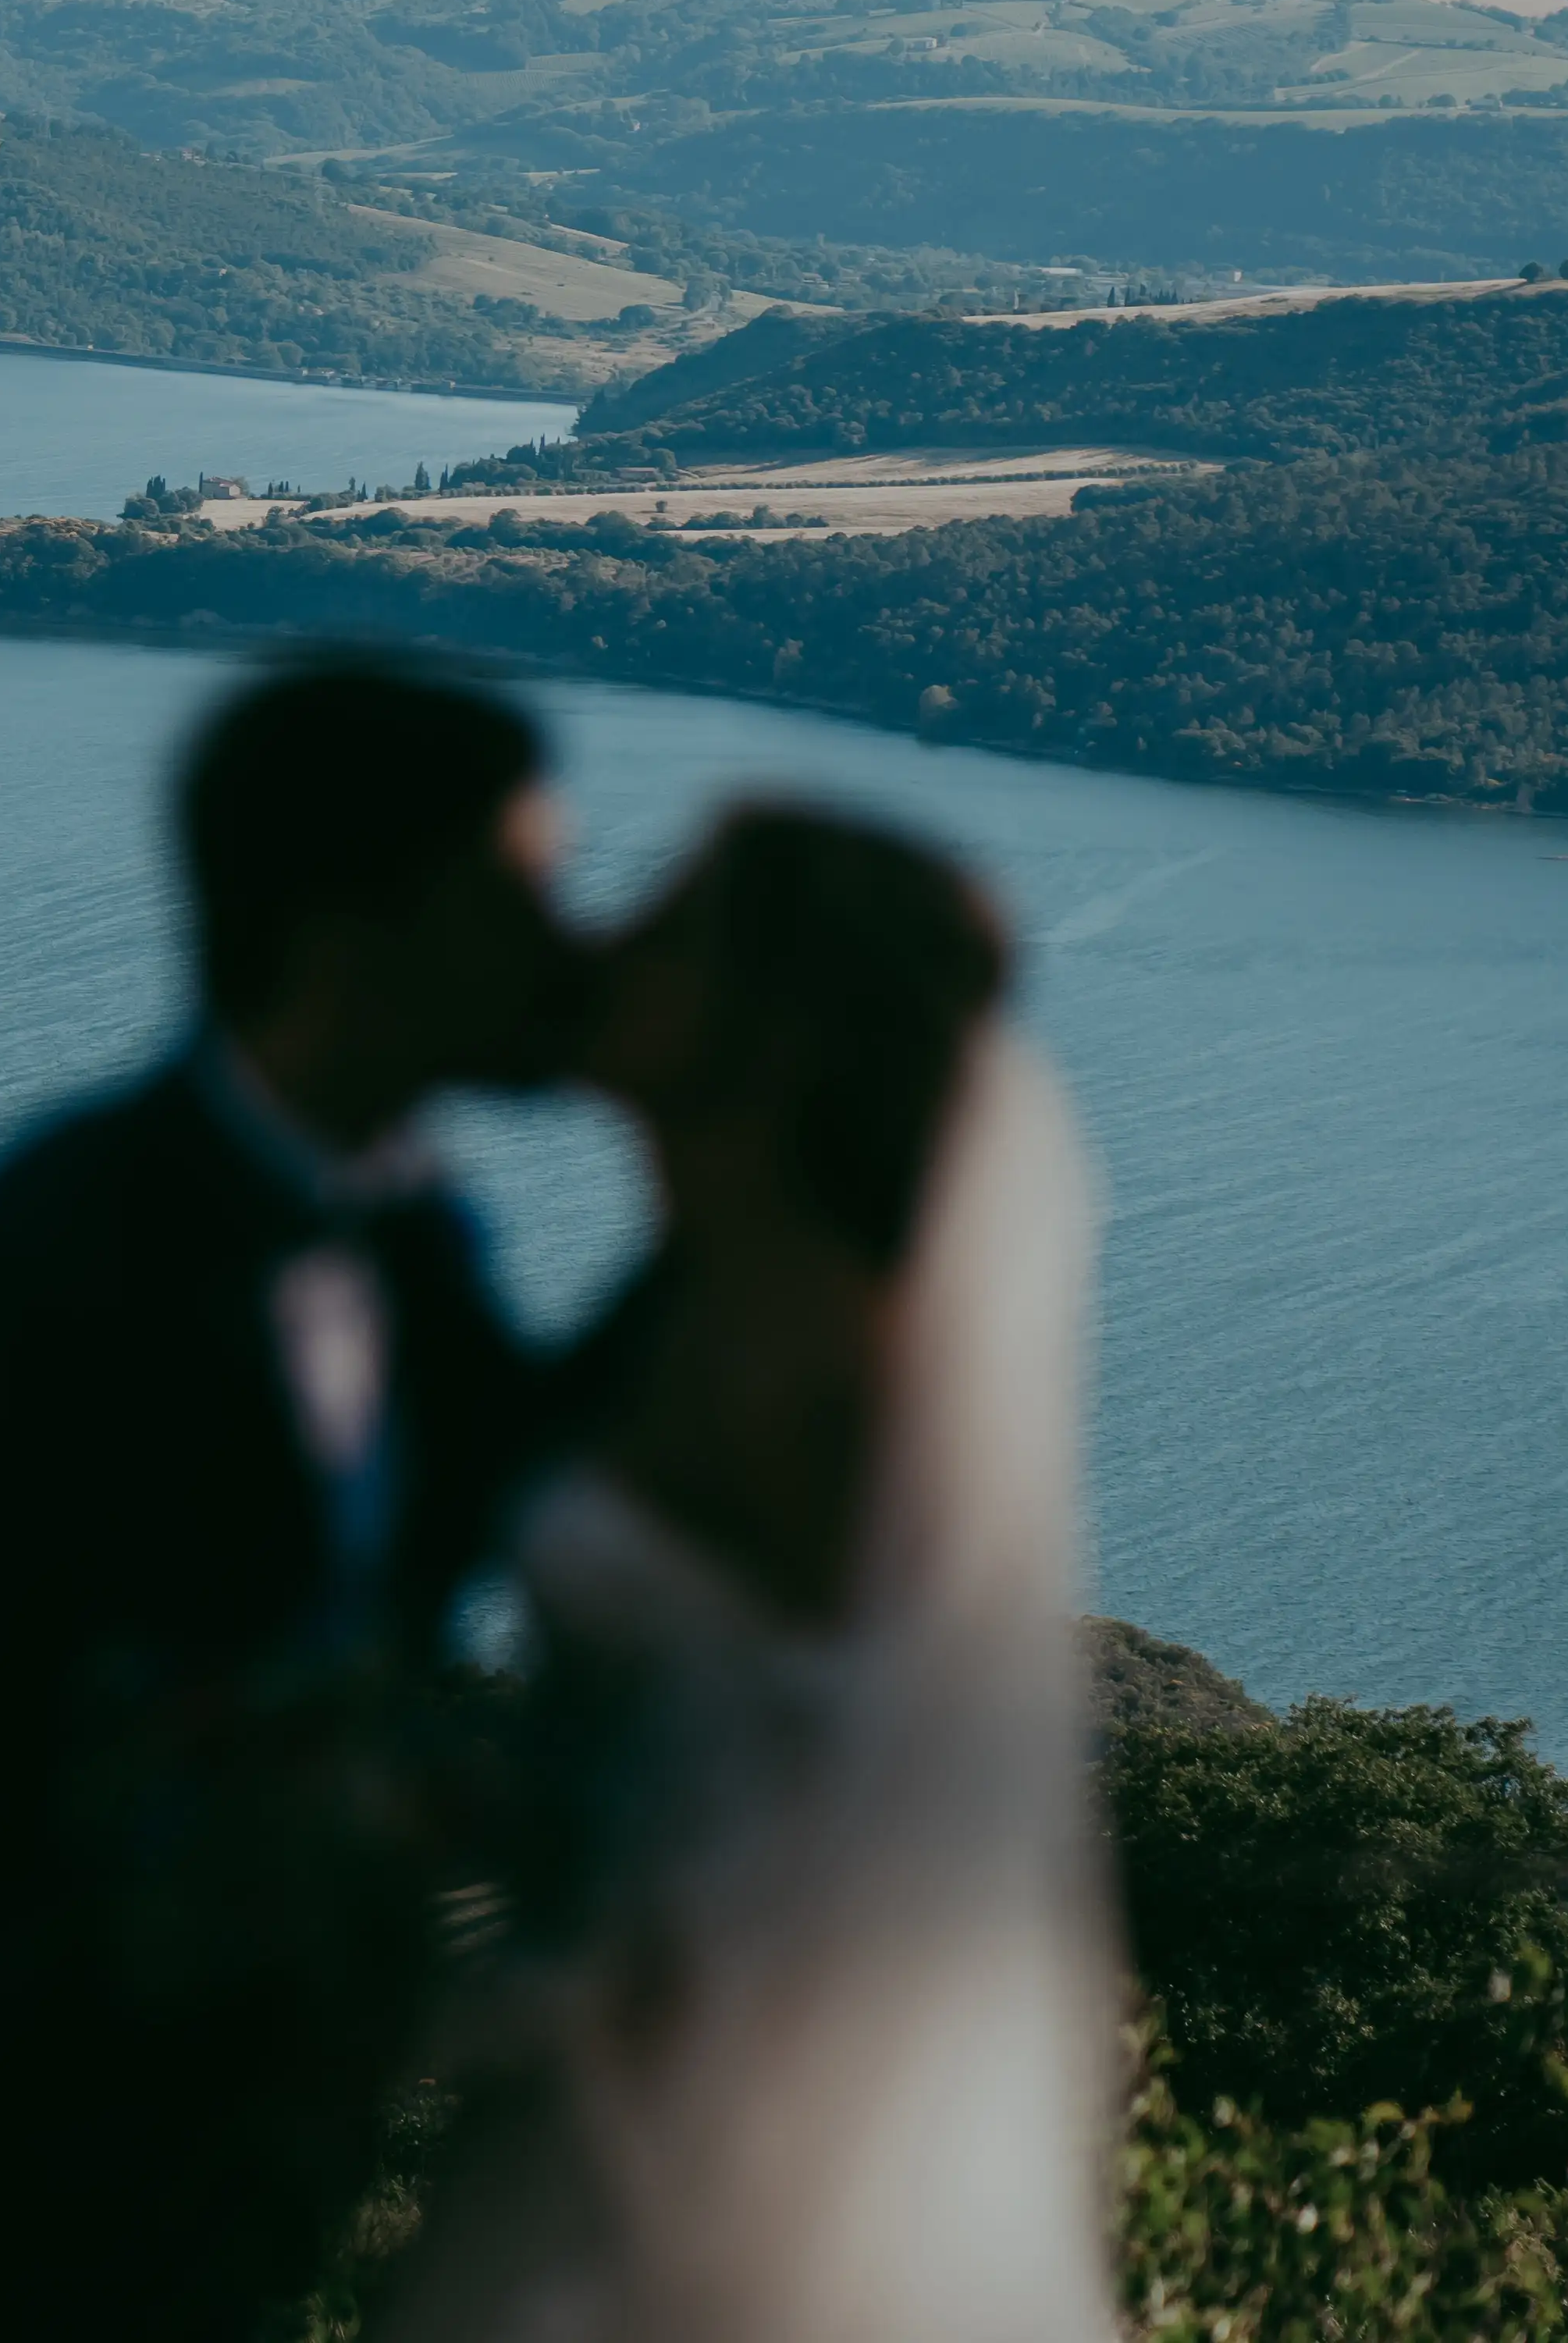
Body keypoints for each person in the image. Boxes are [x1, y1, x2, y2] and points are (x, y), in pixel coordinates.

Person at [0, 656, 606, 2343]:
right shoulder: (33, 1281)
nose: (574, 952)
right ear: (345, 933)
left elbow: (572, 1484)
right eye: (522, 899)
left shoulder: (423, 1253)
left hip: (212, 2185)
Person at [377, 806, 1118, 2343]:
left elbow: (813, 1792)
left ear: (771, 1028)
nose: (604, 938)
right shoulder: (676, 1304)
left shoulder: (822, 1383)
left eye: (668, 926)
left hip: (702, 2104)